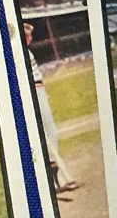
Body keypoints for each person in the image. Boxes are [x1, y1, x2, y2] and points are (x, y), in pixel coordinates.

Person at [24, 25, 79, 193]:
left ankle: (54, 176)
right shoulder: (19, 53)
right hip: (33, 91)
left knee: (49, 133)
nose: (30, 38)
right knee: (48, 132)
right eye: (28, 35)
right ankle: (54, 178)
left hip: (38, 89)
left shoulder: (26, 52)